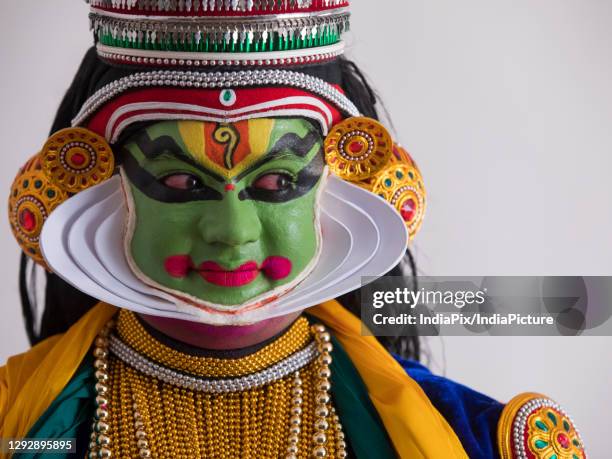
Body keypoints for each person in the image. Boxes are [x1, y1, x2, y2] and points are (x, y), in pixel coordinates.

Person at [0, 1, 586, 458]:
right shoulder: (34, 434)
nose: (232, 232)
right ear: (97, 188)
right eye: (181, 185)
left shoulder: (468, 437)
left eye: (277, 184)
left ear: (343, 191)